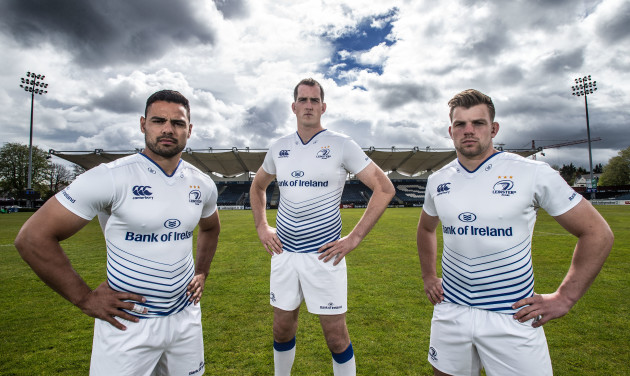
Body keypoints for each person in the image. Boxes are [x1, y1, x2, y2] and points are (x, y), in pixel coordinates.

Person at [15, 90, 221, 375]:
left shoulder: (203, 183)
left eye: (178, 123)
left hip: (186, 318)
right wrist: (84, 298)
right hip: (128, 323)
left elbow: (211, 228)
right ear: (142, 124)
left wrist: (202, 273)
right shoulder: (110, 177)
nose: (167, 129)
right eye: (158, 120)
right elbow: (32, 237)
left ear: (190, 129)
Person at [416, 89, 614, 376]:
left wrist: (565, 297)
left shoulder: (532, 173)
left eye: (478, 123)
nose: (468, 131)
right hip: (451, 309)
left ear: (494, 129)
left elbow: (597, 233)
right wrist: (428, 276)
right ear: (451, 130)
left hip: (512, 313)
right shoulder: (438, 180)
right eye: (460, 124)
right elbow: (425, 228)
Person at [250, 78, 395, 375]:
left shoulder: (341, 145)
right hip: (285, 255)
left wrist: (354, 238)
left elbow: (384, 188)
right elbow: (257, 186)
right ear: (293, 106)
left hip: (324, 256)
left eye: (314, 100)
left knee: (336, 336)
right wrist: (263, 226)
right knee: (281, 329)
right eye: (302, 100)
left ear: (323, 107)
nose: (308, 105)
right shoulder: (279, 148)